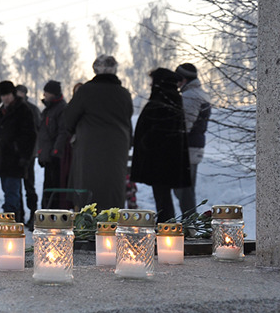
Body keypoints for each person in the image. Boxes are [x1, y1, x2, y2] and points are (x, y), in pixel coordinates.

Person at [64, 55, 133, 210]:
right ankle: (113, 224)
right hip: (117, 148)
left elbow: (68, 119)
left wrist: (74, 133)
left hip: (89, 148)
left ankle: (87, 226)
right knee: (113, 188)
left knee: (88, 188)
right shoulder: (124, 93)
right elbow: (127, 120)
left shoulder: (86, 91)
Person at [130, 68, 191, 223]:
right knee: (162, 195)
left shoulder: (163, 100)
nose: (151, 84)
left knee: (162, 195)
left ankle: (166, 224)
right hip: (164, 160)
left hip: (160, 160)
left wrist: (145, 143)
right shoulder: (169, 99)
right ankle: (165, 222)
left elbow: (157, 131)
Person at [0, 81, 37, 223]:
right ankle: (14, 218)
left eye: (7, 94)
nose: (5, 98)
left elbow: (30, 135)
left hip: (16, 159)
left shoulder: (23, 110)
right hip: (3, 159)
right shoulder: (0, 113)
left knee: (12, 192)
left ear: (13, 94)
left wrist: (24, 155)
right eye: (3, 95)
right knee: (8, 191)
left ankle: (10, 220)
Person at [174, 63, 211, 218]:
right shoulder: (200, 93)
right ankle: (190, 222)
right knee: (186, 190)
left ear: (183, 79)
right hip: (194, 147)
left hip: (187, 147)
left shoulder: (190, 96)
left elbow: (185, 125)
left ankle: (190, 223)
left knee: (184, 191)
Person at [37, 80, 73, 210]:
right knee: (48, 187)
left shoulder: (61, 109)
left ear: (52, 93)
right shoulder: (48, 109)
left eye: (46, 92)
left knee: (55, 187)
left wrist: (56, 152)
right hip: (48, 155)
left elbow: (62, 132)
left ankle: (53, 216)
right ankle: (46, 214)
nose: (44, 94)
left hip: (56, 157)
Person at [16, 84, 41, 227]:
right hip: (17, 154)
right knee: (17, 187)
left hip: (29, 154)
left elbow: (36, 130)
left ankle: (33, 214)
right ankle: (19, 215)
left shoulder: (32, 110)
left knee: (29, 185)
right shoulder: (14, 110)